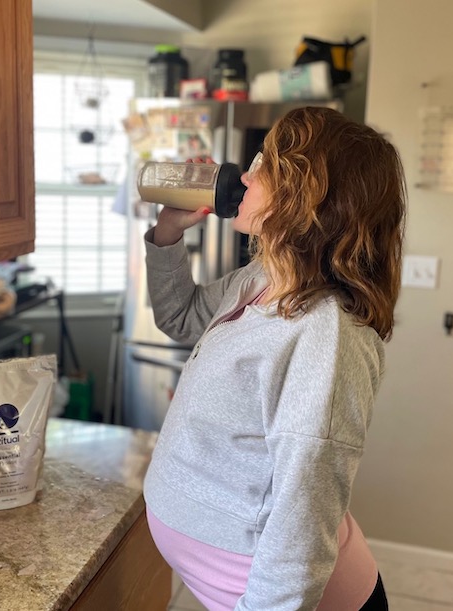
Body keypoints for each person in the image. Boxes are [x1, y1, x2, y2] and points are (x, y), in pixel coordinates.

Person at [142, 106, 406, 610]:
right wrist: (169, 229)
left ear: (307, 197)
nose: (243, 175)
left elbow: (303, 516)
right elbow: (180, 316)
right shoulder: (262, 280)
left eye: (263, 165)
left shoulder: (325, 333)